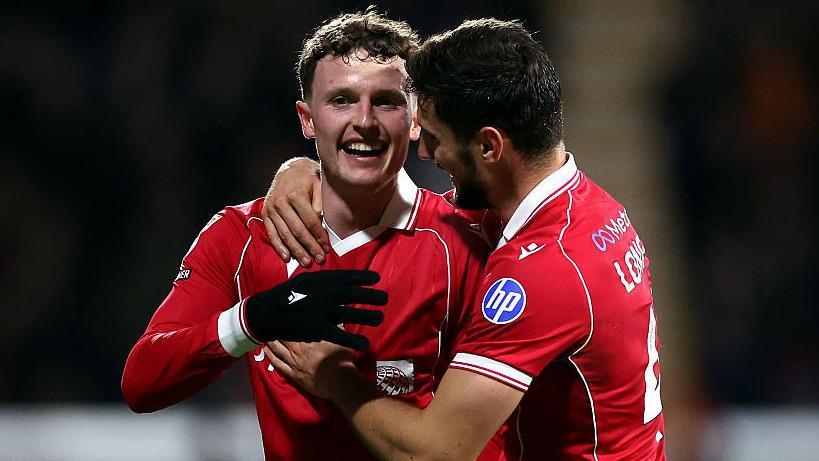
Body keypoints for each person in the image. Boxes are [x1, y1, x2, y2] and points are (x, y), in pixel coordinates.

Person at [264, 18, 667, 460]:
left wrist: (338, 379)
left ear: (490, 148)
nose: (425, 154)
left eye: (435, 138)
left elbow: (435, 453)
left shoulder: (541, 272)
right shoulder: (587, 209)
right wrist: (302, 171)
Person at [121, 9, 500, 460]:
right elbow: (142, 383)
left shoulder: (468, 243)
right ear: (307, 119)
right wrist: (251, 321)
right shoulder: (242, 236)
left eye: (386, 101)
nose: (364, 120)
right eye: (341, 100)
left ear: (416, 120)